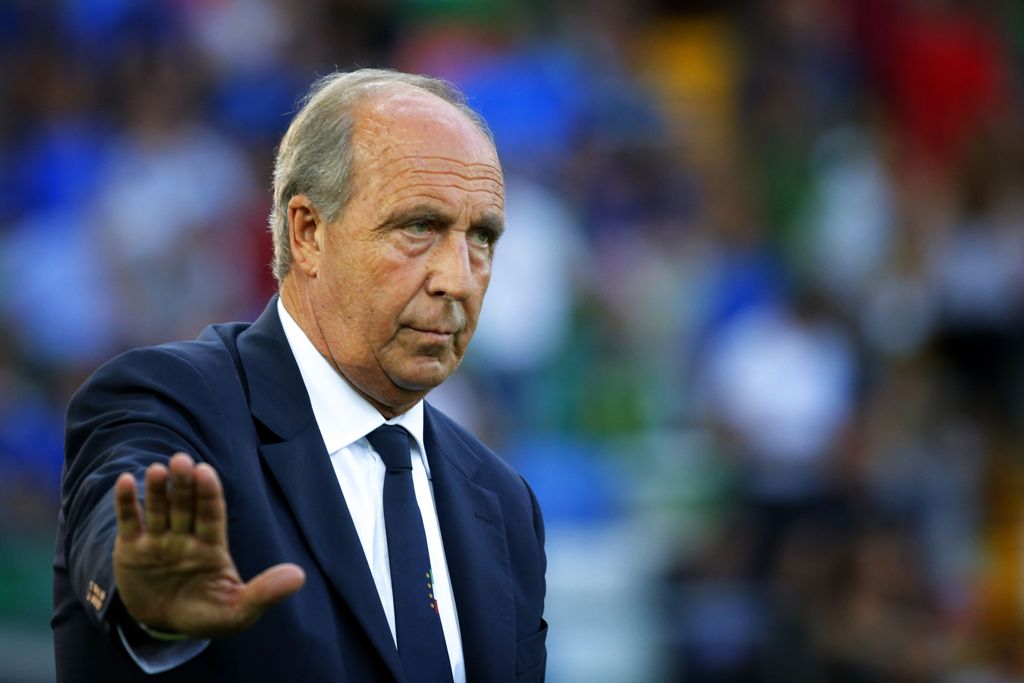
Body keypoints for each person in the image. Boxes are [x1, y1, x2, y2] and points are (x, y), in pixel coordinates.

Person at [52, 68, 547, 683]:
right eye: (419, 227)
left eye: (481, 237)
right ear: (308, 232)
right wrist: (144, 600)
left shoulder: (504, 503)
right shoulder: (168, 401)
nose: (459, 279)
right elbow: (122, 510)